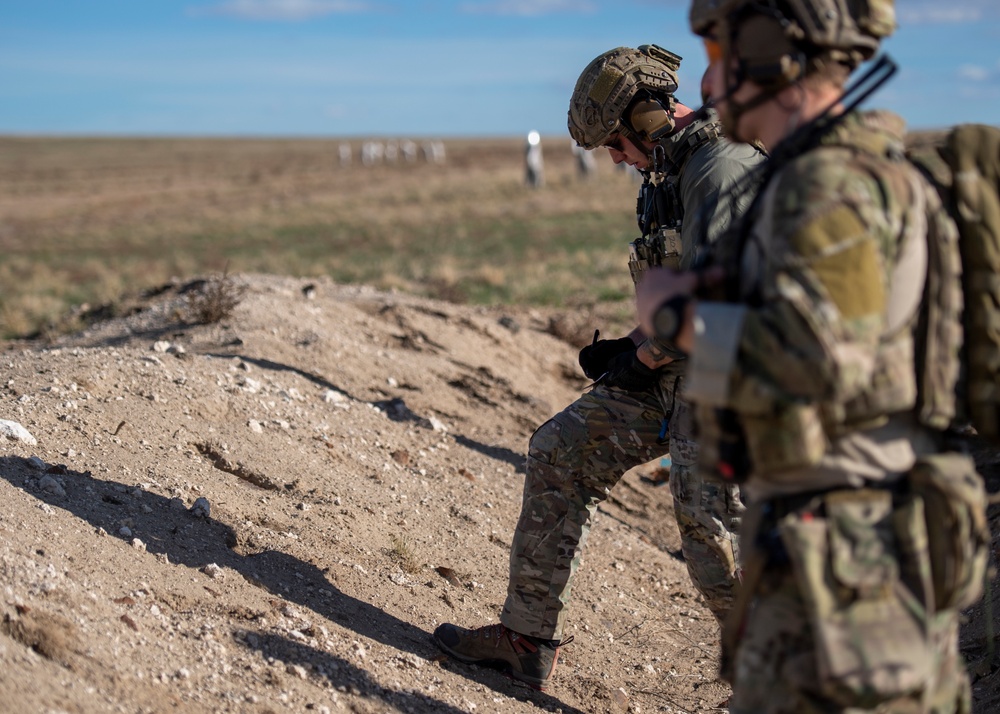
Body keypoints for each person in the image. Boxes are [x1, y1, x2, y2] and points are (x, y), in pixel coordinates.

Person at [634, 1, 974, 711]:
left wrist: (674, 313)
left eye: (719, 54)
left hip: (847, 575)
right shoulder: (825, 175)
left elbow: (818, 366)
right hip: (836, 554)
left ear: (767, 55)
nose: (705, 81)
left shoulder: (827, 187)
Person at [433, 44, 766, 691]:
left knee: (712, 538)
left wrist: (644, 356)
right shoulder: (667, 169)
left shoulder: (720, 168)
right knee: (560, 451)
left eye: (615, 143)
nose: (614, 159)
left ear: (646, 118)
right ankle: (526, 639)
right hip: (681, 366)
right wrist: (631, 346)